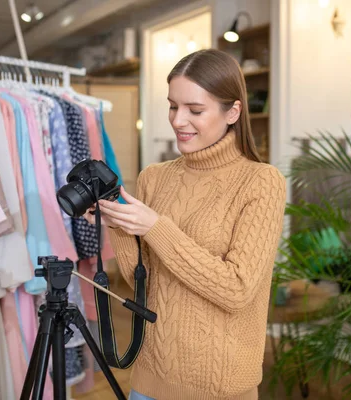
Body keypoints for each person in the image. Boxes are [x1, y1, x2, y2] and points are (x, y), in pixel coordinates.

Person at [83, 49, 287, 400]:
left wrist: (154, 227)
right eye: (173, 106)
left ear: (233, 112)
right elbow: (142, 282)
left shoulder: (261, 182)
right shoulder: (154, 178)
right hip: (149, 380)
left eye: (194, 110)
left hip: (220, 388)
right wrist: (117, 223)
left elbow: (236, 289)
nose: (178, 120)